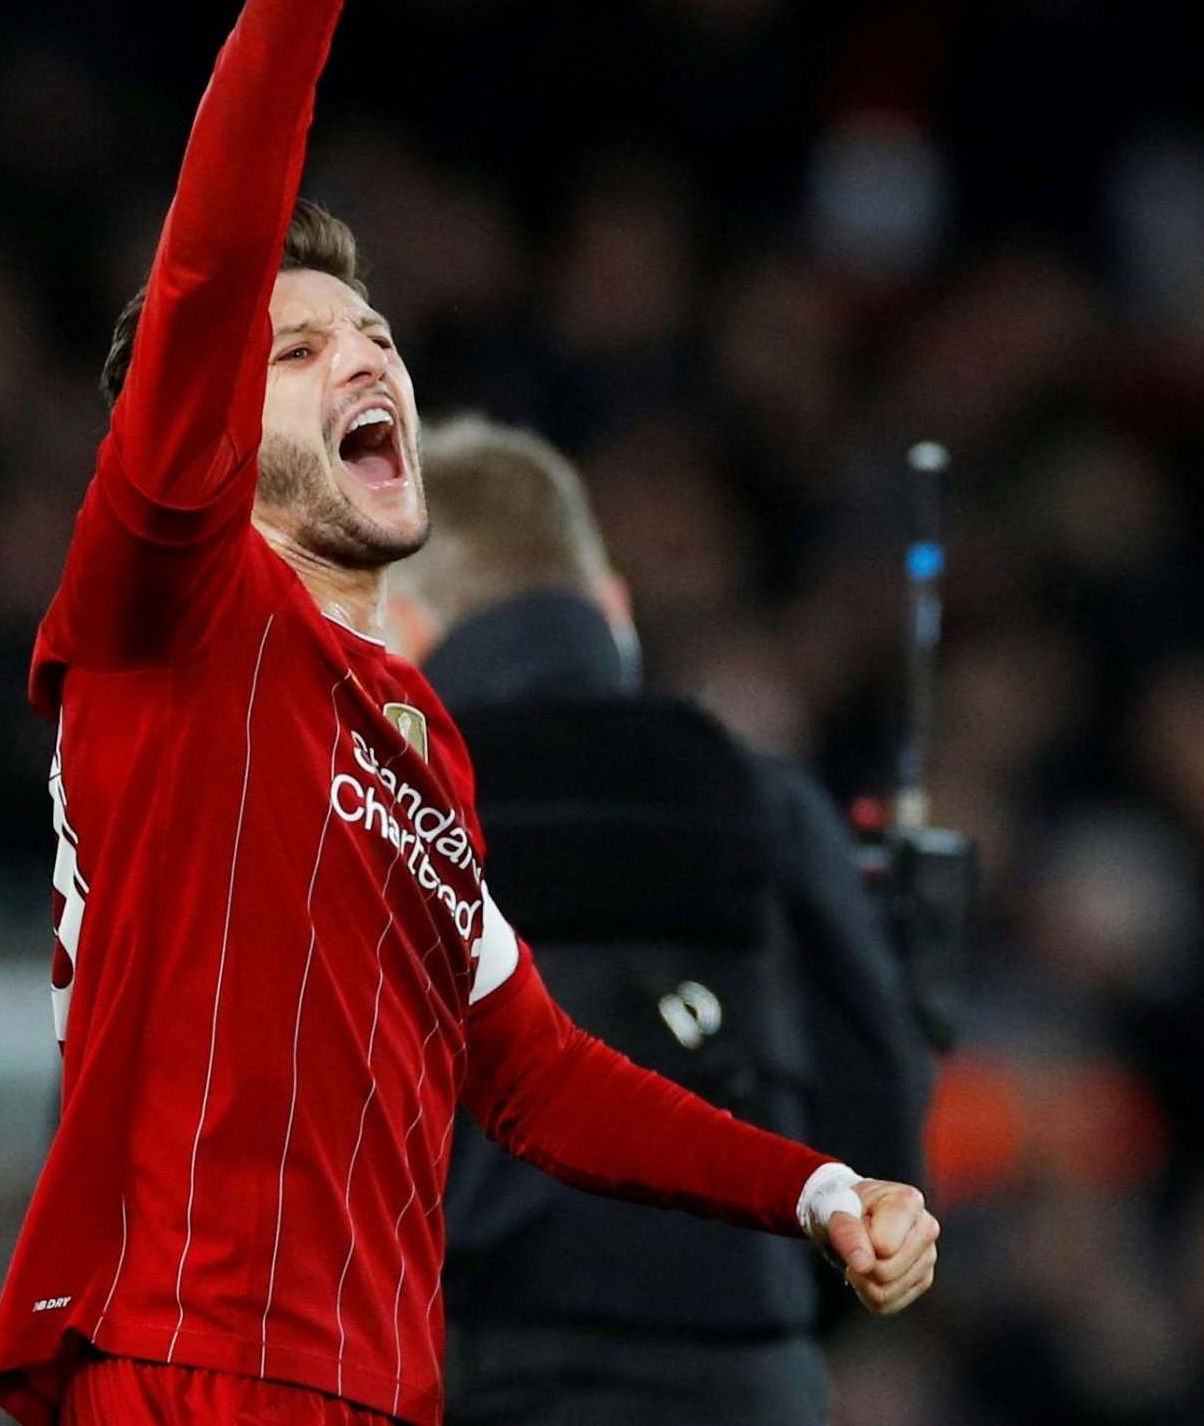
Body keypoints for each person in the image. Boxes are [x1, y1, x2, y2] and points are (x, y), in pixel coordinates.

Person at [0, 0, 939, 1426]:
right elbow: (203, 271)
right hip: (189, 1367)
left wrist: (809, 1186)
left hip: (380, 1389)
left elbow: (541, 1072)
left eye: (373, 336)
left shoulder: (419, 737)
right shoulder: (170, 622)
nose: (363, 356)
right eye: (297, 350)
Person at [384, 415, 935, 1426]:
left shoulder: (364, 817)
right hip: (741, 1380)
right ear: (611, 609)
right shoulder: (766, 805)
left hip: (460, 1374)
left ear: (405, 631)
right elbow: (878, 1144)